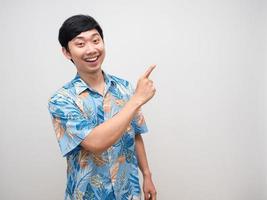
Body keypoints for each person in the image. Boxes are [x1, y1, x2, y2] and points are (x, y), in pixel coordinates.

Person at [48, 14, 157, 200]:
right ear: (67, 52)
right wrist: (137, 100)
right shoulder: (61, 100)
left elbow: (135, 134)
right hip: (88, 194)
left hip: (128, 192)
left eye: (96, 41)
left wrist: (147, 175)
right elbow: (95, 143)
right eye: (80, 44)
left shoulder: (124, 88)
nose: (91, 49)